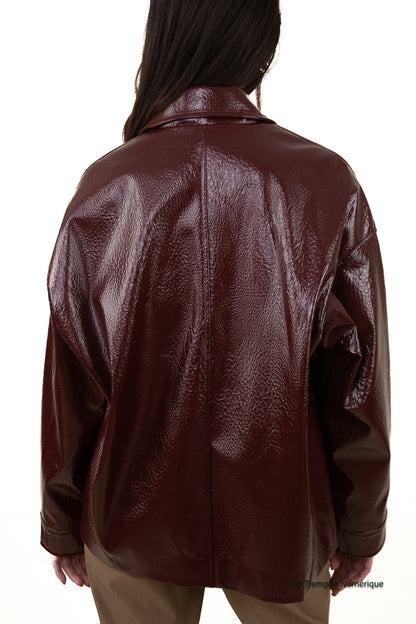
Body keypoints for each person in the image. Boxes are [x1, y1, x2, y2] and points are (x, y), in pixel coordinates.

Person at [39, 1, 391, 622]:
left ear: (162, 38)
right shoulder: (325, 181)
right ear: (261, 46)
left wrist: (62, 519)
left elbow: (71, 381)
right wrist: (360, 525)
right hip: (282, 519)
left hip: (128, 514)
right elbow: (357, 383)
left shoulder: (107, 186)